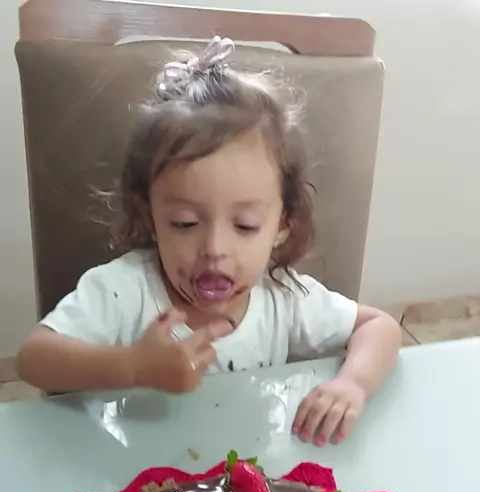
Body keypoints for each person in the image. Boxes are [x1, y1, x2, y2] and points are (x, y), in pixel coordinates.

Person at [16, 37, 401, 446]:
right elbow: (33, 359)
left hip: (244, 466)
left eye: (246, 226)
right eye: (184, 223)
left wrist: (352, 384)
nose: (215, 249)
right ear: (150, 217)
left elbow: (379, 327)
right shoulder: (124, 291)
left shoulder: (282, 297)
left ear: (283, 224)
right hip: (141, 470)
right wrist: (134, 367)